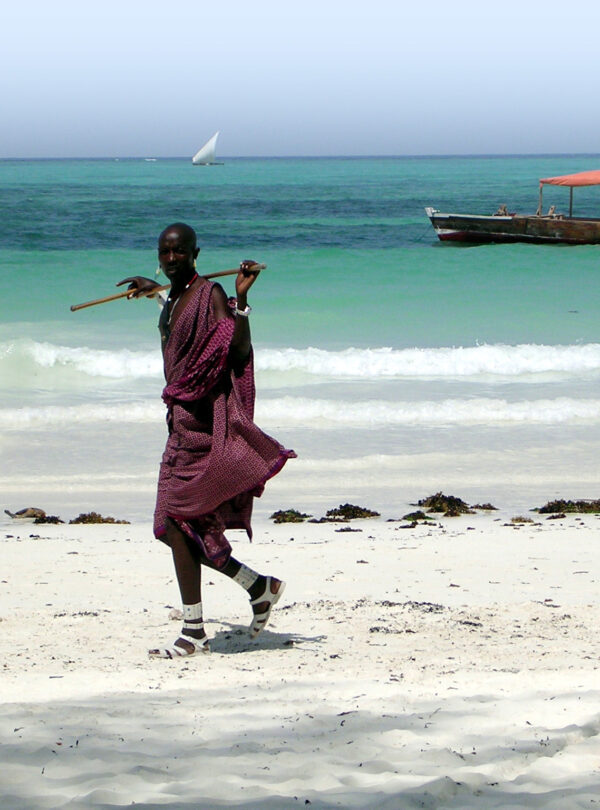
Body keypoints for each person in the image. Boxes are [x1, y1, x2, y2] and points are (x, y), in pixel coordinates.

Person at [118, 223, 295, 658]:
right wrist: (154, 291)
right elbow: (177, 317)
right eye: (164, 252)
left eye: (179, 252)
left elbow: (234, 351)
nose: (172, 258)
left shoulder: (211, 295)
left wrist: (243, 300)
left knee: (177, 521)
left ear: (196, 253)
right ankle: (257, 586)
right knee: (174, 527)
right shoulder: (176, 297)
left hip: (200, 426)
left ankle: (194, 630)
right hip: (177, 425)